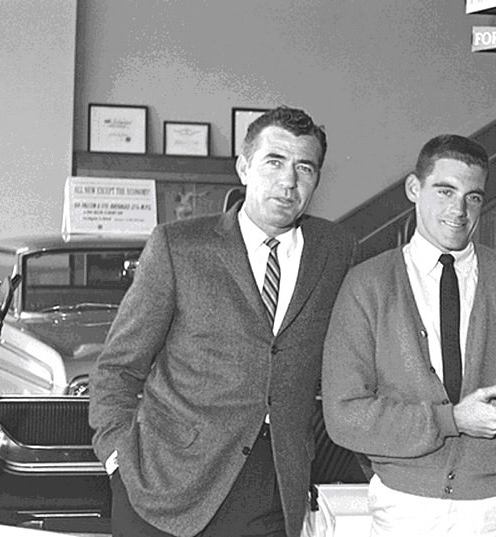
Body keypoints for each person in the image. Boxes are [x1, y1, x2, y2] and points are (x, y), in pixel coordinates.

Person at [88, 106, 356, 537]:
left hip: (270, 488)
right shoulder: (179, 246)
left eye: (305, 167)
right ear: (244, 167)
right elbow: (119, 366)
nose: (289, 181)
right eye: (274, 161)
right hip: (163, 485)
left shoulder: (336, 250)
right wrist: (117, 457)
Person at [321, 134, 496, 537]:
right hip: (403, 508)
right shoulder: (367, 285)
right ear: (415, 188)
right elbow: (344, 417)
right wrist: (452, 419)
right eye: (445, 191)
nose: (459, 210)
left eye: (473, 196)